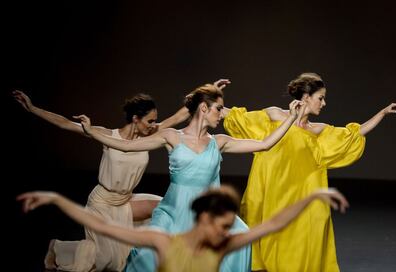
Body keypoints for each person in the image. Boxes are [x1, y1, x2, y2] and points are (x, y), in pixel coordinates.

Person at [73, 82, 303, 272]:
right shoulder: (173, 137)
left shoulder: (219, 142)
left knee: (241, 237)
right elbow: (125, 146)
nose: (222, 114)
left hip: (208, 212)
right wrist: (91, 132)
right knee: (151, 254)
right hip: (175, 212)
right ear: (203, 108)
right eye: (219, 109)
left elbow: (264, 144)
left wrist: (291, 118)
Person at [222, 72, 396, 271]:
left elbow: (353, 134)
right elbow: (235, 117)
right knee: (271, 237)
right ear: (306, 98)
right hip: (272, 192)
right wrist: (207, 96)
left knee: (306, 236)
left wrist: (382, 113)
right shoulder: (275, 116)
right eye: (321, 98)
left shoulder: (318, 131)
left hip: (304, 195)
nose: (324, 103)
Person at [13, 90, 190, 271]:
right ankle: (59, 247)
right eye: (150, 121)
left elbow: (178, 117)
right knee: (108, 261)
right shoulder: (107, 135)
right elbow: (65, 124)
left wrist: (208, 93)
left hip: (125, 200)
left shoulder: (148, 136)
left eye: (155, 121)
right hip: (102, 203)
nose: (153, 125)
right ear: (136, 118)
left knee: (164, 207)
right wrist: (33, 108)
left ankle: (164, 259)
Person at [17, 185, 349, 272]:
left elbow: (274, 223)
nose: (225, 232)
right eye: (221, 226)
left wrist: (315, 196)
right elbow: (100, 223)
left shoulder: (224, 245)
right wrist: (56, 199)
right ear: (204, 219)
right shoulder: (163, 242)